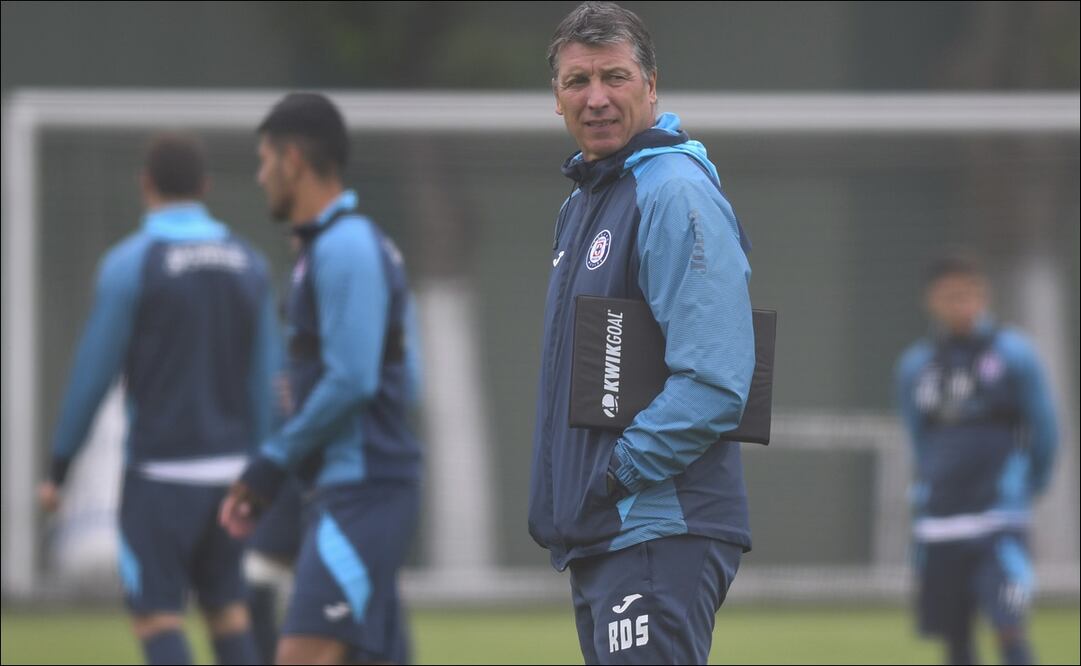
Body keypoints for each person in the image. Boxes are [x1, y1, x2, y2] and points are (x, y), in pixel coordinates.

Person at [528, 3, 756, 664]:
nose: (595, 98)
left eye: (614, 77)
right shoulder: (584, 202)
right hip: (606, 534)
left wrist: (615, 473)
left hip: (655, 528)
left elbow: (714, 382)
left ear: (651, 85)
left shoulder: (673, 193)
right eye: (577, 82)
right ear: (556, 98)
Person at [39, 133, 275, 665]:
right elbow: (266, 378)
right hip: (235, 473)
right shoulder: (249, 263)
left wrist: (59, 467)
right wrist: (265, 470)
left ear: (145, 184)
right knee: (228, 608)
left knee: (157, 615)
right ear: (206, 188)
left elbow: (92, 375)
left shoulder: (131, 263)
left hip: (160, 476)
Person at [219, 92, 423, 665]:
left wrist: (269, 463)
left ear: (292, 160)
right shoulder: (330, 248)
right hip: (348, 491)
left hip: (363, 494)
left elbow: (356, 380)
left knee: (300, 655)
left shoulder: (347, 247)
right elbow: (392, 377)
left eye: (264, 161)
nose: (261, 177)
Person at [895, 254, 1057, 665]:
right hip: (942, 522)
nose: (960, 305)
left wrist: (1026, 484)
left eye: (968, 296)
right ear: (931, 300)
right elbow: (919, 436)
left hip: (998, 520)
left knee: (1009, 623)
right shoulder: (917, 365)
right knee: (954, 636)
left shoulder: (1014, 354)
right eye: (950, 297)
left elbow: (1045, 429)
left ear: (983, 297)